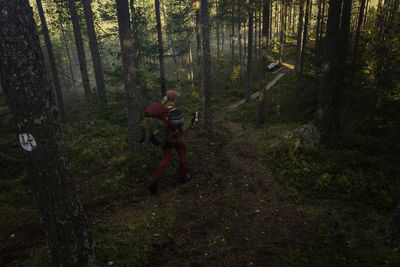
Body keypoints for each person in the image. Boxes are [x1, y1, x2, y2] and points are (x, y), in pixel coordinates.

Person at [148, 90, 190, 194]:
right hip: (177, 140)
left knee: (166, 161)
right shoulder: (176, 111)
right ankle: (183, 177)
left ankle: (153, 183)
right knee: (182, 156)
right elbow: (181, 127)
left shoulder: (160, 111)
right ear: (174, 99)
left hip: (165, 140)